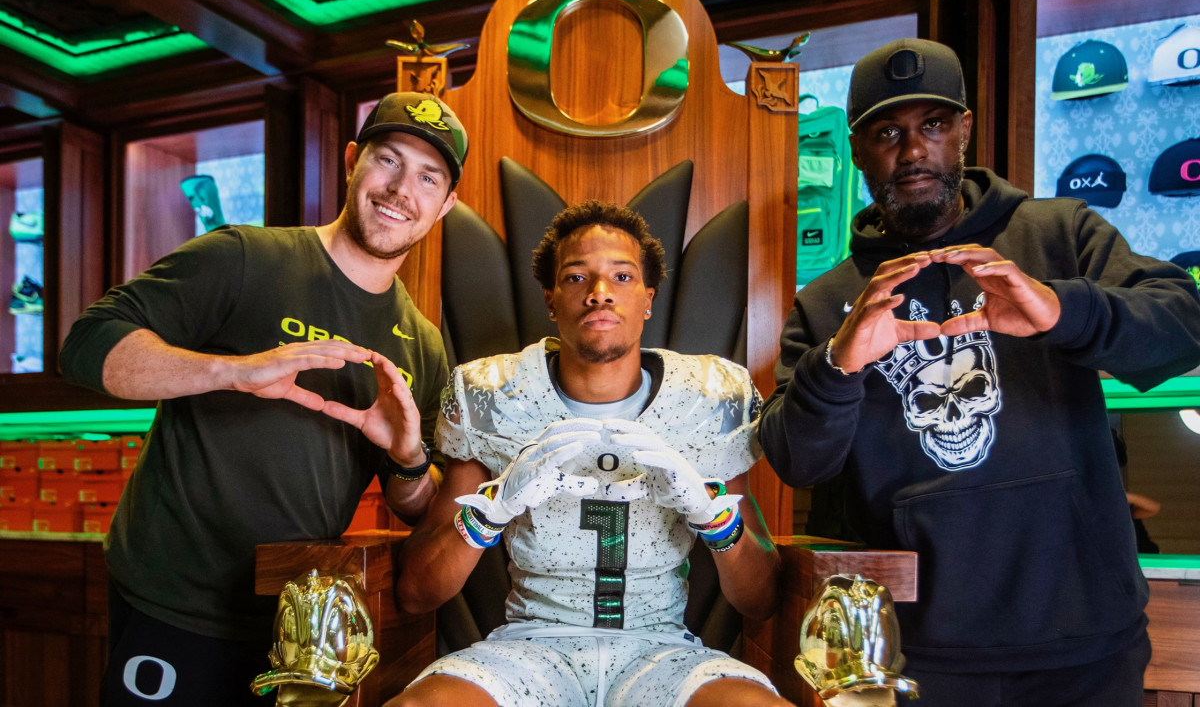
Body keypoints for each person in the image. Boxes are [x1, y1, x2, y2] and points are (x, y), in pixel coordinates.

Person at [757, 38, 1200, 706]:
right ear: (857, 151)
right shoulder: (828, 304)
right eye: (887, 133)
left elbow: (1181, 327)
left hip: (1085, 639)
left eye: (932, 125)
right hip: (923, 653)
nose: (912, 151)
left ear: (964, 130)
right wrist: (842, 361)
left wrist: (1062, 311)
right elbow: (796, 459)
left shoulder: (1058, 235)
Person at [59, 91, 467, 706]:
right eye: (387, 159)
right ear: (352, 160)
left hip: (294, 631)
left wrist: (408, 460)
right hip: (173, 607)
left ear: (446, 204)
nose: (400, 188)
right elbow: (88, 346)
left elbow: (418, 509)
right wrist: (234, 372)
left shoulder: (423, 346)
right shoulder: (244, 258)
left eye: (428, 176)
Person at [386, 201, 790, 707]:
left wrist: (714, 519)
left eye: (621, 276)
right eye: (578, 277)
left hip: (662, 650)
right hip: (530, 649)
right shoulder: (489, 393)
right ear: (552, 301)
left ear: (648, 299)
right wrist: (492, 511)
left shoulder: (711, 394)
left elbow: (763, 599)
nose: (600, 292)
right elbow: (417, 593)